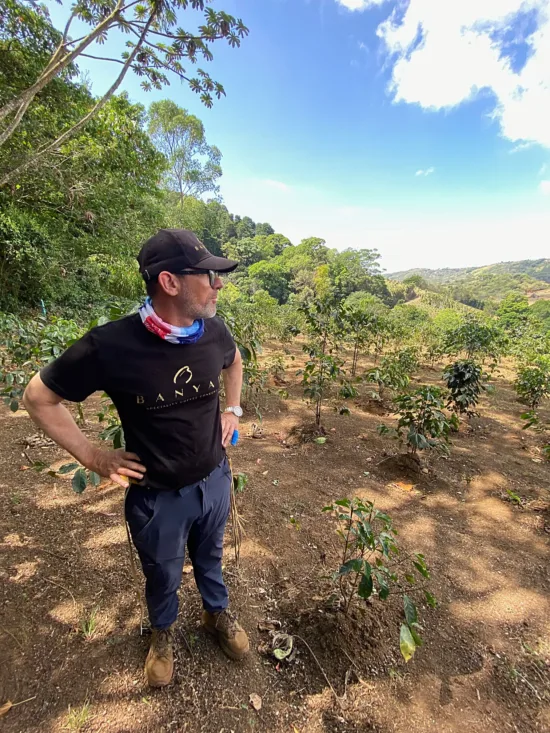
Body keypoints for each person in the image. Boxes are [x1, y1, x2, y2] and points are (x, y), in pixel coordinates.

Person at [23, 229, 250, 687]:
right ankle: (162, 632)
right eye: (208, 275)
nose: (218, 284)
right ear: (170, 282)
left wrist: (232, 409)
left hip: (214, 481)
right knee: (162, 572)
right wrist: (92, 455)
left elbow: (235, 361)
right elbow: (37, 397)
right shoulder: (111, 346)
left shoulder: (215, 332)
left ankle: (215, 614)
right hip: (157, 498)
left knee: (210, 557)